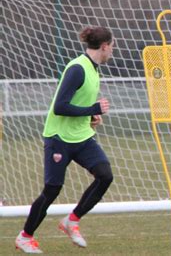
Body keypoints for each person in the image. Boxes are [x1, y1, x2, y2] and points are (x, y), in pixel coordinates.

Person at [15, 26, 114, 253]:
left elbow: (76, 104)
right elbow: (60, 107)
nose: (112, 51)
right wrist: (93, 107)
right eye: (112, 46)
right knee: (52, 190)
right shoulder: (77, 69)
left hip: (82, 137)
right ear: (105, 46)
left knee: (105, 175)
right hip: (59, 138)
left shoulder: (93, 68)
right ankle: (25, 236)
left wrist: (91, 116)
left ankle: (72, 220)